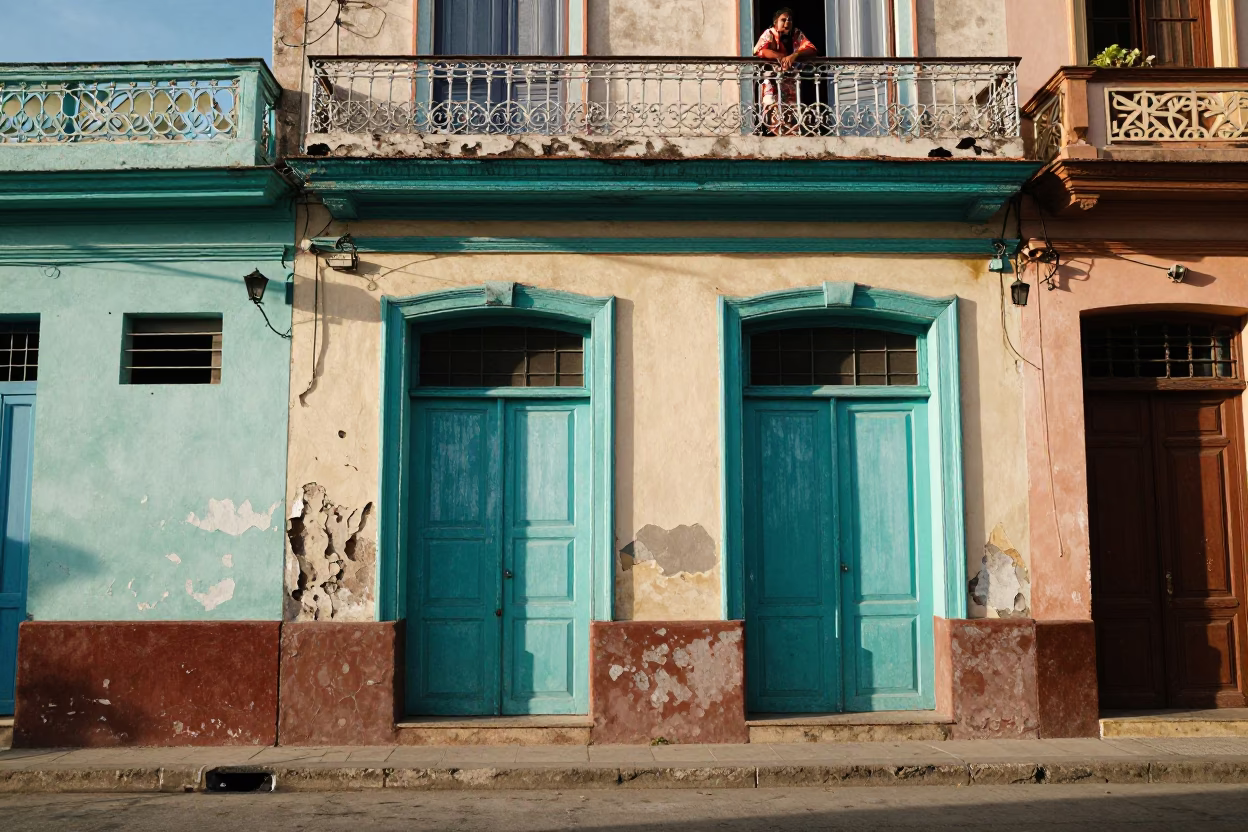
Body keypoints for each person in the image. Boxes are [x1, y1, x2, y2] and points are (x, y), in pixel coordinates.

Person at [753, 8, 818, 135]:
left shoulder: (796, 34)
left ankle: (789, 135)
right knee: (772, 111)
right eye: (783, 20)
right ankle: (773, 135)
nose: (787, 22)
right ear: (775, 22)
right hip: (772, 82)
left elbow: (811, 49)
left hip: (790, 83)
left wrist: (794, 55)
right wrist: (781, 58)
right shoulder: (769, 33)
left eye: (790, 20)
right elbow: (760, 50)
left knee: (790, 113)